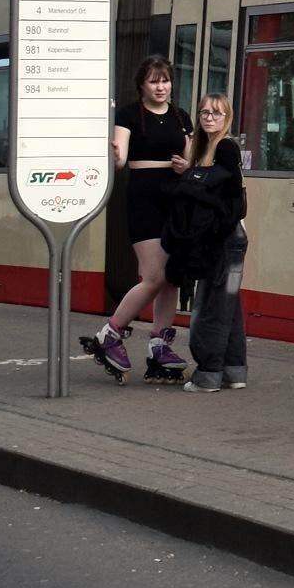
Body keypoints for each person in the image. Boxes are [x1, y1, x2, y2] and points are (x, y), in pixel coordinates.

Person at [92, 58, 193, 382]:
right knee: (154, 275)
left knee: (172, 277)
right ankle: (110, 333)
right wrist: (116, 155)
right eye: (153, 81)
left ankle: (159, 345)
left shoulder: (181, 117)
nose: (160, 87)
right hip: (144, 200)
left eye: (165, 81)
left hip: (176, 200)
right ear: (142, 85)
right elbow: (119, 156)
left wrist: (185, 167)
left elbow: (192, 158)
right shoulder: (128, 114)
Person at [172, 95, 252, 392]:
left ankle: (208, 373)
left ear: (227, 117)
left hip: (222, 240)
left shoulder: (225, 147)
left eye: (217, 113)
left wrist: (191, 181)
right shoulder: (207, 149)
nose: (209, 118)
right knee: (228, 307)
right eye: (204, 112)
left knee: (210, 307)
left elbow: (229, 196)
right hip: (232, 241)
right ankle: (234, 371)